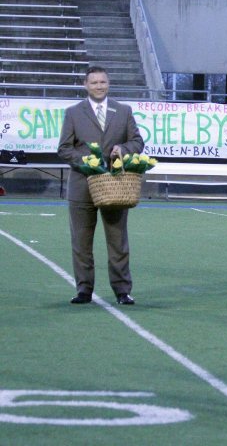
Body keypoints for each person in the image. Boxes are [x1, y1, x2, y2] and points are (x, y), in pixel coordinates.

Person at [57, 65, 145, 305]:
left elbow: (137, 141)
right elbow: (64, 148)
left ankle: (122, 291)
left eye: (103, 82)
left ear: (109, 84)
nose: (99, 86)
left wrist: (123, 149)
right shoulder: (73, 113)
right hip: (81, 187)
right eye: (94, 83)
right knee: (81, 242)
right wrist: (87, 162)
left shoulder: (124, 111)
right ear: (86, 85)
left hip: (115, 186)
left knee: (118, 242)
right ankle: (84, 290)